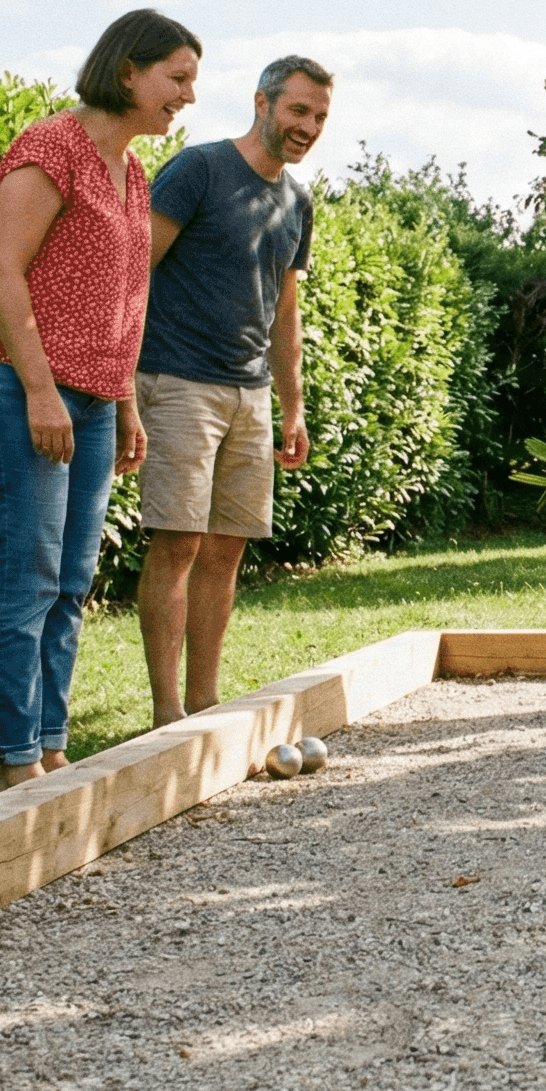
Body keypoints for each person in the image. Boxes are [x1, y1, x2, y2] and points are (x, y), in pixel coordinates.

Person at [0, 9, 199, 790]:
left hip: (93, 398)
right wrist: (38, 391)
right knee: (27, 572)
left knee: (71, 575)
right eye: (178, 78)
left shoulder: (130, 173)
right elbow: (0, 272)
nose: (188, 96)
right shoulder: (50, 147)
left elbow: (121, 298)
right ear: (129, 71)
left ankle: (51, 743)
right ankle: (15, 762)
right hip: (14, 383)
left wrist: (123, 402)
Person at [130, 55, 332, 726]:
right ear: (264, 102)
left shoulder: (296, 200)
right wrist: (121, 379)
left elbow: (284, 308)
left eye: (320, 116)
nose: (308, 126)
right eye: (299, 110)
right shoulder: (199, 170)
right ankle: (166, 713)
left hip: (249, 394)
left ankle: (203, 700)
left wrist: (294, 404)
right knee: (178, 542)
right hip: (177, 379)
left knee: (225, 549)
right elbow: (135, 270)